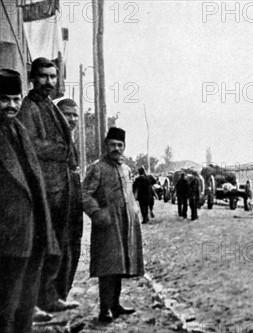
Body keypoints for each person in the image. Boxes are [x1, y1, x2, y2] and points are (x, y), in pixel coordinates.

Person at [16, 57, 79, 313]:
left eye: (53, 77)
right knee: (40, 248)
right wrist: (59, 149)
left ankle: (48, 297)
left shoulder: (49, 106)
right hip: (42, 189)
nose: (49, 82)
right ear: (32, 78)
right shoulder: (28, 107)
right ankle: (31, 305)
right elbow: (30, 144)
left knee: (54, 246)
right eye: (43, 76)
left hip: (59, 189)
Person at [0, 69, 61, 333]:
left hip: (32, 235)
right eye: (3, 99)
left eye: (16, 99)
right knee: (4, 308)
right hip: (6, 240)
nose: (12, 105)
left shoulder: (19, 130)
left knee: (25, 306)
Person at [81, 127, 144, 323]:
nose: (116, 148)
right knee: (107, 267)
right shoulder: (97, 168)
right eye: (112, 145)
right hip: (107, 223)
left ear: (124, 147)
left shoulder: (125, 168)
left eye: (120, 145)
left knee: (120, 265)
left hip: (126, 223)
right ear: (106, 145)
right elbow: (84, 195)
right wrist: (97, 213)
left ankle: (115, 304)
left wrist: (134, 212)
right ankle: (104, 309)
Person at [55, 98, 84, 301]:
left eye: (75, 115)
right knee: (59, 261)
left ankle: (62, 300)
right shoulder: (55, 141)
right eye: (67, 114)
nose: (72, 119)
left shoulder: (70, 141)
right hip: (58, 211)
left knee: (72, 256)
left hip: (73, 212)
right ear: (57, 115)